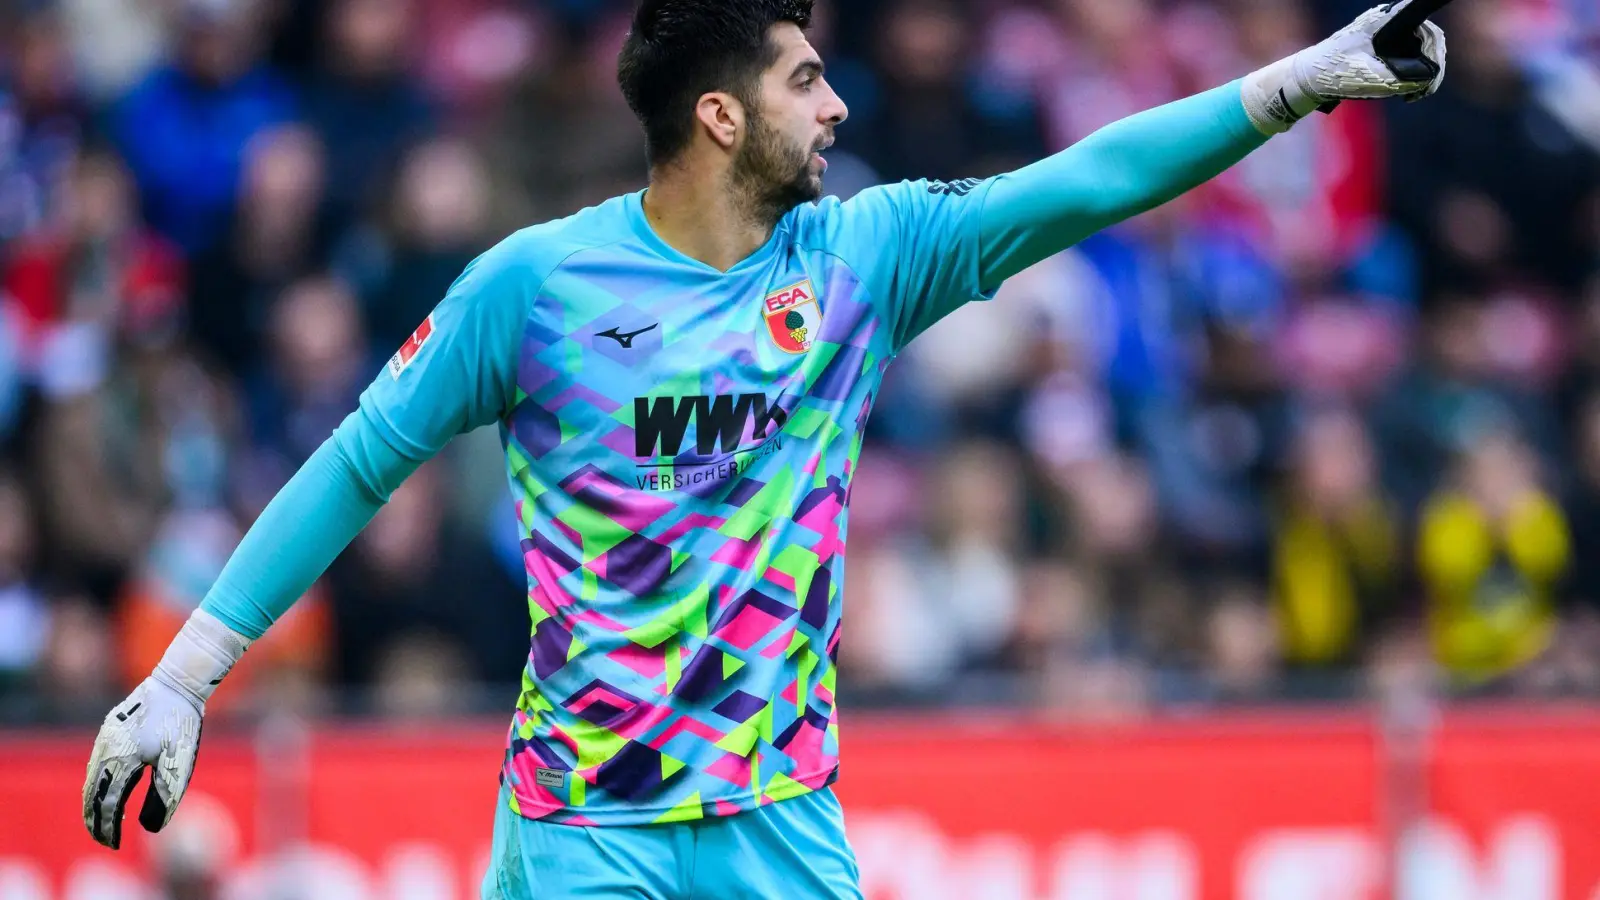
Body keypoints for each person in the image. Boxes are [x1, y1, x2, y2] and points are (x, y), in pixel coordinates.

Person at [82, 0, 1447, 896]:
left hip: (777, 818)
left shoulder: (867, 255)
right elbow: (357, 462)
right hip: (586, 829)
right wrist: (190, 677)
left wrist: (1301, 82)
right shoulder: (537, 286)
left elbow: (1084, 182)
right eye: (805, 81)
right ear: (721, 117)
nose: (837, 107)